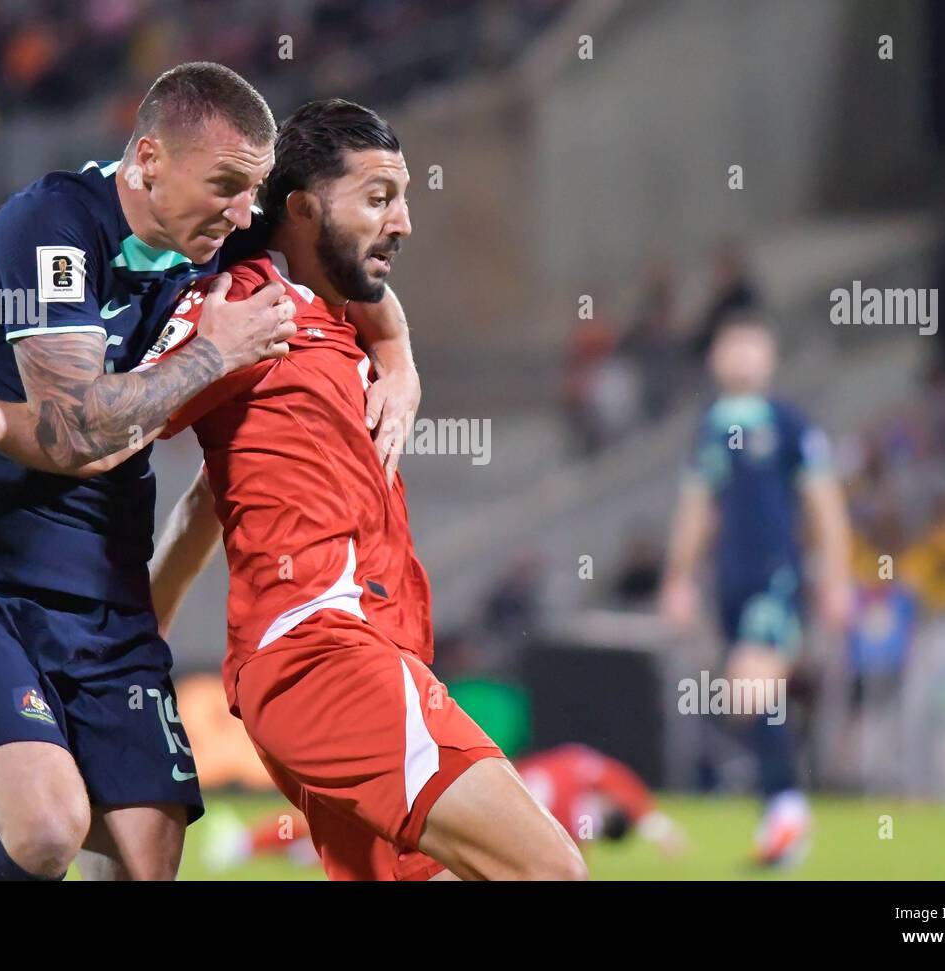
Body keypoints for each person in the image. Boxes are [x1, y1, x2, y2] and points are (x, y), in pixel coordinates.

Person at [0, 63, 421, 882]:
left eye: (254, 192)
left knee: (146, 859)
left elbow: (339, 256)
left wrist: (398, 358)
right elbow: (76, 429)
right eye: (227, 186)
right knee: (49, 828)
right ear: (148, 160)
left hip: (102, 586)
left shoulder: (225, 223)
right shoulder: (52, 225)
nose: (243, 214)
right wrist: (214, 353)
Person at [145, 99, 587, 880]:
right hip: (322, 650)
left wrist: (402, 359)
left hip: (363, 651)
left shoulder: (334, 316)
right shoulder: (241, 311)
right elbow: (116, 424)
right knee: (549, 871)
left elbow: (209, 504)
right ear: (302, 208)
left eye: (405, 196)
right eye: (379, 198)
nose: (405, 221)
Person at [660, 314, 853, 867]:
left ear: (770, 357)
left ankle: (788, 812)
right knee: (747, 699)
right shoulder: (711, 426)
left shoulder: (788, 422)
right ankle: (782, 811)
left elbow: (825, 505)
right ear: (714, 357)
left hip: (776, 576)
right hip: (730, 584)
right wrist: (678, 579)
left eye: (753, 346)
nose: (742, 356)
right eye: (732, 346)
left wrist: (836, 581)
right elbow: (697, 509)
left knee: (750, 687)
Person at [199, 743, 685, 873]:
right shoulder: (571, 815)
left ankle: (250, 845)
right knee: (349, 815)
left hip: (472, 797)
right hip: (469, 801)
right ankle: (244, 844)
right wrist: (656, 823)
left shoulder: (578, 780)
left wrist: (655, 822)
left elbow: (615, 781)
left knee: (345, 819)